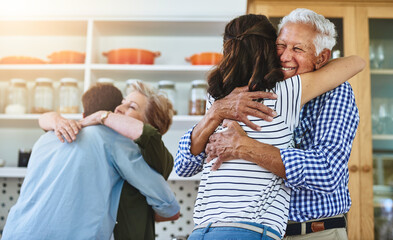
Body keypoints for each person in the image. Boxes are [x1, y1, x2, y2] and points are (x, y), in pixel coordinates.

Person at [175, 12, 364, 240]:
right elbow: (184, 166)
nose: (284, 56)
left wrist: (245, 147)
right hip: (255, 231)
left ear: (322, 58)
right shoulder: (232, 96)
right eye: (281, 45)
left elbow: (327, 172)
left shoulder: (334, 91)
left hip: (312, 232)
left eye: (298, 49)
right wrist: (215, 113)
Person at [2, 84, 180, 240]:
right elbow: (170, 208)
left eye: (131, 107)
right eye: (121, 102)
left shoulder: (46, 138)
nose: (117, 109)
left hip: (14, 231)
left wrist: (54, 118)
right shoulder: (111, 139)